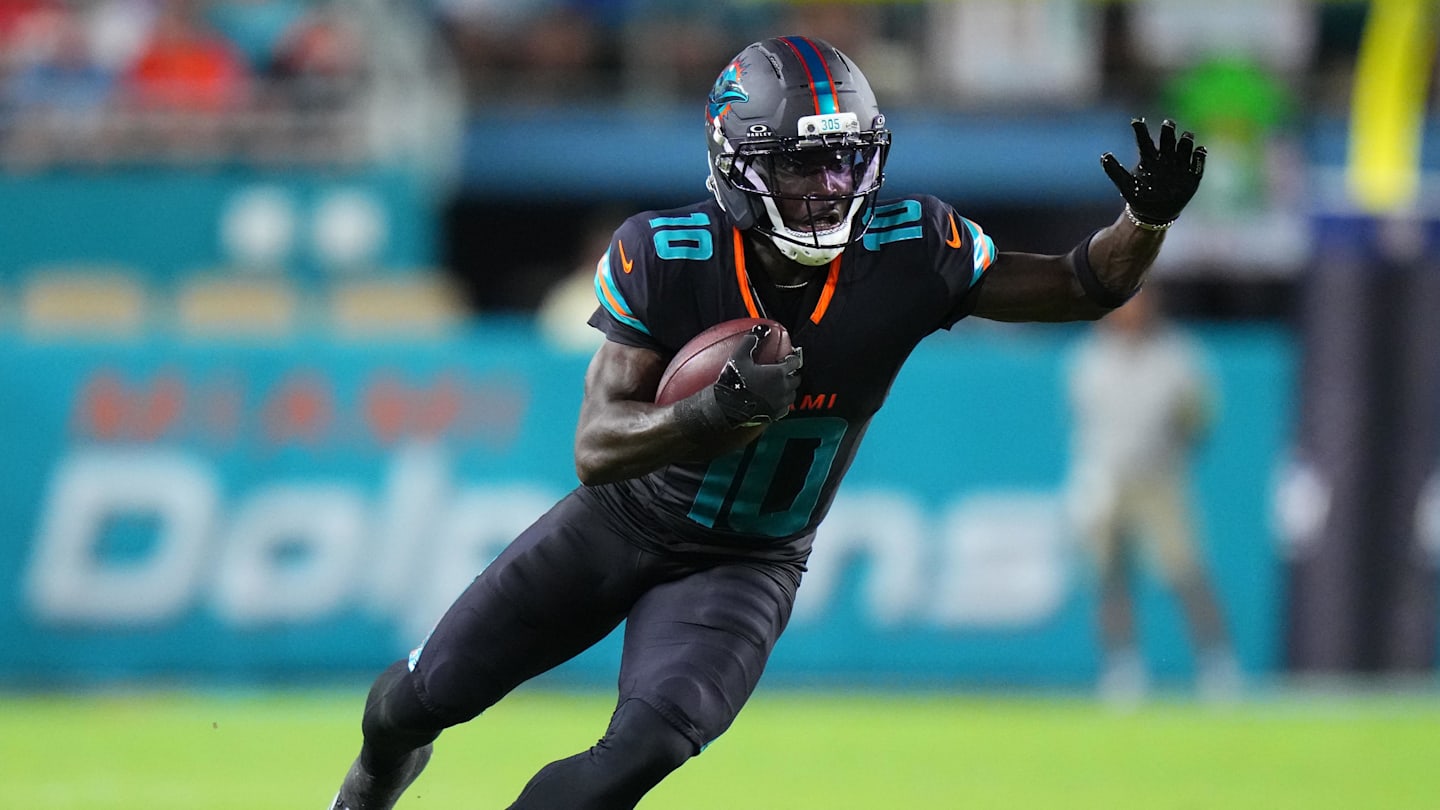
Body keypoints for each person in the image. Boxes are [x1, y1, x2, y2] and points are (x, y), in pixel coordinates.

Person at [328, 35, 1206, 810]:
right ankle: (365, 792)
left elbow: (1083, 283)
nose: (829, 189)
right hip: (620, 523)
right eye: (800, 166)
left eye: (847, 162)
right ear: (737, 164)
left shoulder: (913, 248)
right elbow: (595, 448)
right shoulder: (665, 254)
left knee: (641, 751)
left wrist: (1146, 219)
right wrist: (709, 412)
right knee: (411, 704)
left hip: (748, 560)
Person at [1064, 285, 1239, 707]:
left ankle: (1217, 664)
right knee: (1110, 577)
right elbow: (1085, 427)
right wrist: (1088, 482)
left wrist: (1175, 450)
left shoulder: (1176, 355)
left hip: (1159, 478)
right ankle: (1122, 667)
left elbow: (1197, 419)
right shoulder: (1089, 358)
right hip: (1108, 478)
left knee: (1185, 570)